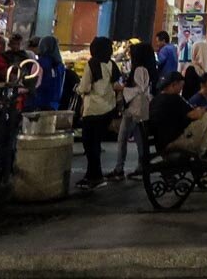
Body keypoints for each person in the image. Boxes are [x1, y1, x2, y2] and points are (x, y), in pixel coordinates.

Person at [75, 36, 123, 189]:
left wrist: (76, 89)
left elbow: (85, 88)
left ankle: (95, 176)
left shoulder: (92, 64)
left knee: (90, 144)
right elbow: (116, 85)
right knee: (95, 143)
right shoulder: (112, 64)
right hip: (108, 108)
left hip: (93, 109)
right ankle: (92, 175)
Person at [109, 40, 158, 180]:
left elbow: (139, 89)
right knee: (140, 139)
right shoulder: (150, 69)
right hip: (142, 109)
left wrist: (122, 88)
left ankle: (119, 168)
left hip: (133, 109)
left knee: (123, 138)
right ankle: (141, 166)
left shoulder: (139, 69)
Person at [28, 35, 66, 112]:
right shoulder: (60, 66)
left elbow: (34, 84)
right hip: (55, 104)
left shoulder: (39, 64)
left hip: (40, 103)